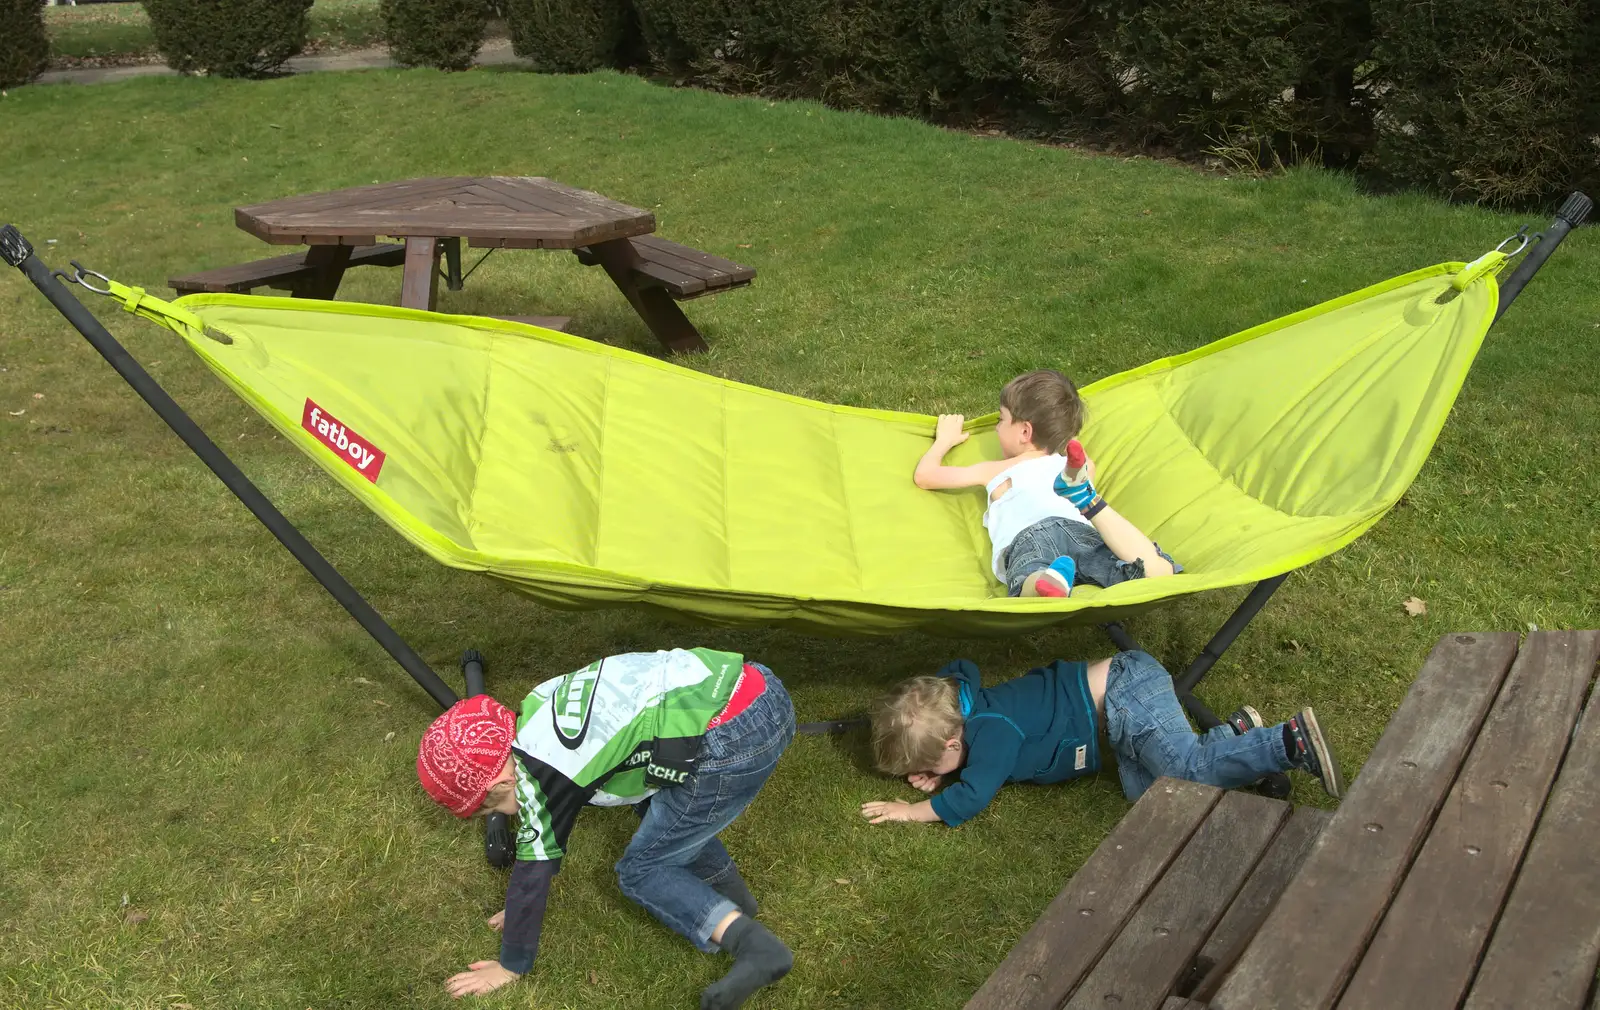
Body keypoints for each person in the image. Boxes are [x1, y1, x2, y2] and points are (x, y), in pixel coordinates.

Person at [416, 648, 796, 1007]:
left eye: (498, 808)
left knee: (643, 870)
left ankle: (754, 946)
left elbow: (533, 871)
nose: (513, 815)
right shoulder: (538, 708)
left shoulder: (541, 773)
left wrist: (510, 964)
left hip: (727, 739)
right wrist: (518, 911)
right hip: (755, 688)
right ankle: (735, 906)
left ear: (499, 783)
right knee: (671, 823)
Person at [859, 650, 1340, 828]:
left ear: (951, 744)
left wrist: (911, 810)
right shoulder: (967, 702)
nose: (921, 778)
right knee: (1152, 795)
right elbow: (957, 668)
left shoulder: (993, 735)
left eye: (924, 766)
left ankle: (1288, 742)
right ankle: (1232, 735)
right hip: (1120, 718)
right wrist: (942, 766)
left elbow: (970, 797)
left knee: (1183, 772)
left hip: (1126, 694)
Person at [913, 368, 1180, 597]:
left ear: (1025, 431)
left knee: (1030, 573)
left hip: (1032, 537)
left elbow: (925, 476)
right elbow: (1077, 454)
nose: (996, 427)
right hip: (1081, 531)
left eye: (1001, 419)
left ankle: (1046, 584)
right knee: (1138, 569)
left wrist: (944, 440)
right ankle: (1153, 565)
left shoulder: (998, 470)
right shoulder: (1074, 465)